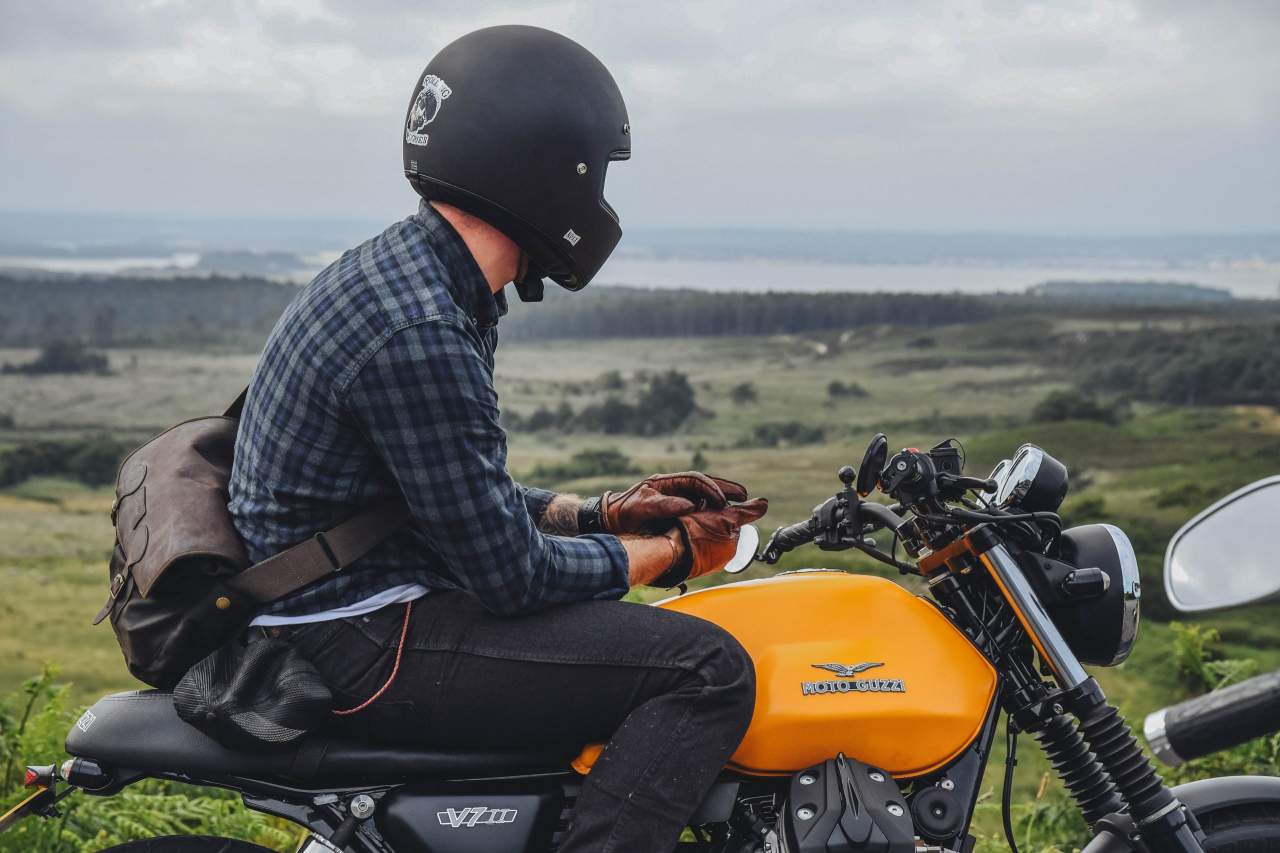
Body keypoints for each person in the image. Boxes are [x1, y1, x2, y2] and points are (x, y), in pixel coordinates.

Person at [227, 25, 767, 853]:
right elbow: (511, 576)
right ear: (545, 168)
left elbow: (452, 494)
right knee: (709, 668)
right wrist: (672, 555)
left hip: (345, 608)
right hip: (364, 639)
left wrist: (604, 512)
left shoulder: (413, 276)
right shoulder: (419, 328)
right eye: (595, 171)